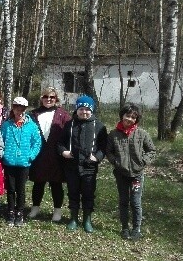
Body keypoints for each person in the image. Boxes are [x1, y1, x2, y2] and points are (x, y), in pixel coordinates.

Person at [57, 95, 107, 233]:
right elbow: (60, 143)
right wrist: (63, 152)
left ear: (92, 110)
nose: (84, 112)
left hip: (89, 167)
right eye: (81, 109)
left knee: (88, 193)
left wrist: (97, 157)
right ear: (77, 109)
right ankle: (73, 219)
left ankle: (87, 220)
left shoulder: (99, 126)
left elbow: (104, 147)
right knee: (73, 192)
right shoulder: (69, 125)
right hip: (72, 166)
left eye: (87, 109)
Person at [106, 103, 156, 240]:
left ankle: (136, 229)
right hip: (121, 174)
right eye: (127, 116)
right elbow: (108, 151)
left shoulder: (142, 134)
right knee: (123, 201)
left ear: (137, 120)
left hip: (137, 175)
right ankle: (124, 228)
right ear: (122, 116)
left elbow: (151, 151)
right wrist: (116, 162)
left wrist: (143, 162)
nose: (129, 119)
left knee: (135, 201)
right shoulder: (113, 134)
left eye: (133, 118)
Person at [28, 87, 72, 222]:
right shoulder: (32, 114)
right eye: (46, 96)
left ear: (56, 99)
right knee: (38, 182)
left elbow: (69, 135)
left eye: (52, 97)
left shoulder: (63, 115)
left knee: (56, 184)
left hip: (56, 156)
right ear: (41, 98)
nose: (48, 99)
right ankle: (35, 207)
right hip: (39, 155)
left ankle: (57, 210)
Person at [0, 96, 42, 227]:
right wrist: (4, 156)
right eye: (17, 108)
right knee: (11, 189)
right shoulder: (6, 125)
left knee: (21, 189)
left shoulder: (31, 125)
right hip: (9, 162)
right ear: (13, 108)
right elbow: (0, 141)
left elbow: (37, 142)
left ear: (25, 109)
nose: (19, 111)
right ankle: (11, 211)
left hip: (24, 162)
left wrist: (30, 156)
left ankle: (20, 213)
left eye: (22, 108)